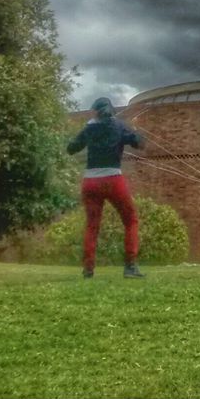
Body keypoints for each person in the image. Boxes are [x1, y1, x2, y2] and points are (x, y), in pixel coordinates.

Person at [67, 97, 146, 278]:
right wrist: (136, 131)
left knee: (92, 226)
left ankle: (88, 269)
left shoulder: (89, 128)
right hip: (113, 180)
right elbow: (139, 143)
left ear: (95, 111)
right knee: (131, 220)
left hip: (90, 182)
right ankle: (130, 267)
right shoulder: (119, 126)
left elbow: (71, 148)